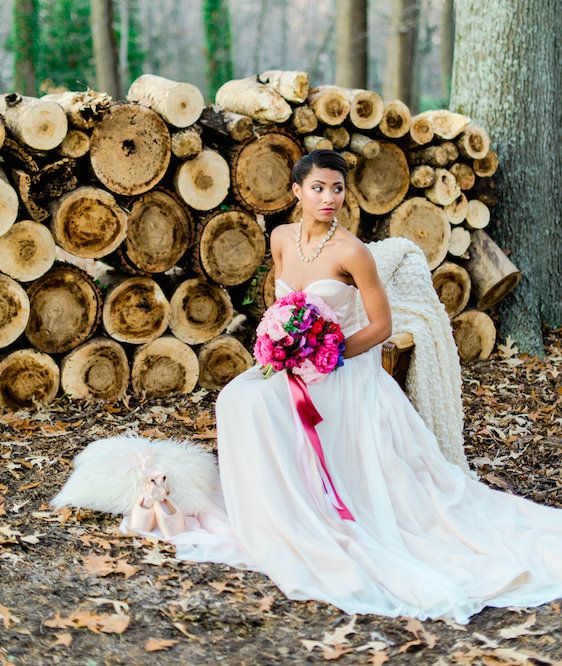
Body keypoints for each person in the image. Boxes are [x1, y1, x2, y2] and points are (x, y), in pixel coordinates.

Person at [112, 150, 562, 622]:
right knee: (235, 397)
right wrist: (279, 340)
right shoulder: (282, 239)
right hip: (294, 364)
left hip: (342, 369)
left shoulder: (353, 252)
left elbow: (382, 326)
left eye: (338, 188)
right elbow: (278, 300)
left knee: (256, 402)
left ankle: (304, 512)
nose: (330, 198)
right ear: (297, 192)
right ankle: (270, 511)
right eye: (319, 188)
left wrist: (329, 351)